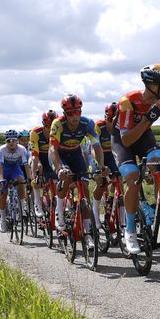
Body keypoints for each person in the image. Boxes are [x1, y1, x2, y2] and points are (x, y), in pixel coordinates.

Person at [113, 64, 160, 254]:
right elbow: (127, 139)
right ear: (152, 85)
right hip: (123, 139)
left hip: (144, 136)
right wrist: (147, 119)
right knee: (132, 177)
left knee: (158, 164)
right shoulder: (128, 101)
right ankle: (130, 230)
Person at [49, 95, 104, 233]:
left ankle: (87, 231)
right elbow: (52, 148)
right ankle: (59, 211)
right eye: (70, 113)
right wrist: (59, 168)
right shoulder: (58, 124)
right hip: (59, 155)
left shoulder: (88, 123)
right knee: (66, 177)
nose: (74, 116)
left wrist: (101, 166)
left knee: (84, 189)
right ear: (64, 114)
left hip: (75, 154)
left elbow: (96, 146)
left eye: (77, 112)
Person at [0, 130, 32, 232]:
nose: (11, 142)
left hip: (14, 168)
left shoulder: (21, 149)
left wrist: (29, 178)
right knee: (3, 193)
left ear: (17, 141)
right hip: (4, 169)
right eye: (8, 141)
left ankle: (21, 206)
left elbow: (26, 165)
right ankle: (2, 219)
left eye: (14, 140)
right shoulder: (1, 150)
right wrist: (1, 179)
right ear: (5, 142)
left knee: (21, 181)